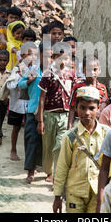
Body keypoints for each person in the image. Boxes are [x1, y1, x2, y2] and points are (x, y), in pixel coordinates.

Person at [53, 87, 110, 213]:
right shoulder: (70, 136)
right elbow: (62, 166)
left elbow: (110, 166)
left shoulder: (106, 134)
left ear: (98, 108)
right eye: (82, 108)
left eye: (91, 108)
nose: (87, 113)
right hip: (75, 192)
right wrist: (57, 196)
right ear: (76, 108)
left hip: (98, 193)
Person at [37, 44, 75, 183]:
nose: (63, 61)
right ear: (53, 58)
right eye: (59, 58)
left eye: (66, 58)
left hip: (64, 115)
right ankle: (48, 170)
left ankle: (56, 175)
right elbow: (42, 98)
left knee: (59, 145)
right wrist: (40, 120)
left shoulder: (71, 75)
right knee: (48, 146)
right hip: (49, 115)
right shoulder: (48, 74)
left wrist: (71, 119)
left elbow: (73, 96)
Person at [19, 42, 52, 183]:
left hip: (49, 112)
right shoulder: (34, 70)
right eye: (45, 55)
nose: (48, 59)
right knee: (31, 139)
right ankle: (31, 170)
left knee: (48, 142)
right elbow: (20, 84)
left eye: (51, 56)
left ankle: (50, 172)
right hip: (33, 110)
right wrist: (28, 81)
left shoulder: (55, 73)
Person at [6, 39, 37, 161]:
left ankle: (29, 153)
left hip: (30, 104)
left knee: (30, 129)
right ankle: (13, 149)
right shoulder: (17, 69)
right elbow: (10, 85)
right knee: (16, 127)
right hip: (18, 104)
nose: (33, 57)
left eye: (35, 54)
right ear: (23, 55)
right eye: (30, 54)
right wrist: (22, 79)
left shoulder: (36, 69)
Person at [67, 56, 108, 130]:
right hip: (79, 121)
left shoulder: (102, 88)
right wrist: (69, 126)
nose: (92, 73)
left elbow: (104, 106)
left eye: (95, 70)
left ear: (99, 70)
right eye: (88, 70)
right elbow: (72, 108)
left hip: (97, 123)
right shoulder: (77, 87)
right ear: (83, 70)